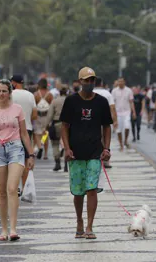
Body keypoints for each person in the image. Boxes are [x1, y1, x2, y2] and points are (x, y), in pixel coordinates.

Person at [60, 67, 113, 240]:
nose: (90, 83)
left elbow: (106, 127)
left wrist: (107, 148)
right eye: (86, 80)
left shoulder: (102, 102)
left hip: (94, 153)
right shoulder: (71, 101)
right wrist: (67, 148)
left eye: (92, 80)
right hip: (75, 153)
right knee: (78, 192)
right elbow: (65, 127)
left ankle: (90, 226)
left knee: (91, 188)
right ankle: (79, 221)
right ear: (80, 82)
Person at [0, 80, 34, 241]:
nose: (1, 94)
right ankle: (4, 229)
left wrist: (30, 154)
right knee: (1, 191)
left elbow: (24, 133)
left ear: (10, 92)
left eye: (4, 91)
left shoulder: (18, 109)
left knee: (12, 188)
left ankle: (14, 229)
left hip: (16, 148)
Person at [10, 75, 36, 189]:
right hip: (27, 130)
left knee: (13, 159)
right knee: (25, 160)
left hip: (12, 130)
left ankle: (14, 187)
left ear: (14, 83)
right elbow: (35, 115)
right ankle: (24, 186)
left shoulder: (10, 94)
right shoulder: (30, 95)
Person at [93, 77, 117, 169]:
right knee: (105, 140)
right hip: (104, 121)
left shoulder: (90, 93)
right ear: (102, 83)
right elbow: (112, 108)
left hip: (92, 122)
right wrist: (115, 120)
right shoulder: (107, 94)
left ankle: (94, 158)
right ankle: (105, 160)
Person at [45, 86, 67, 172]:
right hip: (68, 125)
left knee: (55, 144)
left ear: (59, 93)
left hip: (56, 123)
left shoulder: (55, 101)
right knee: (66, 144)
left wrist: (47, 125)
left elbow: (50, 114)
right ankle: (66, 164)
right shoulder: (70, 100)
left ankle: (57, 163)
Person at [111, 77, 136, 150]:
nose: (120, 83)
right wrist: (112, 114)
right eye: (119, 81)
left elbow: (131, 102)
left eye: (122, 81)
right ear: (117, 82)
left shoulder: (129, 90)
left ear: (124, 82)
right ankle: (121, 144)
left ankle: (125, 140)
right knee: (118, 130)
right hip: (117, 113)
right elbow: (112, 103)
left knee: (127, 126)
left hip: (127, 112)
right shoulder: (114, 91)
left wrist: (133, 112)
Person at [34, 78, 54, 160]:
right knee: (45, 134)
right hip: (47, 116)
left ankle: (39, 146)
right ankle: (45, 154)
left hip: (38, 116)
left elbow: (34, 107)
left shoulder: (36, 94)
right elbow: (52, 107)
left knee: (37, 134)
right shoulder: (50, 95)